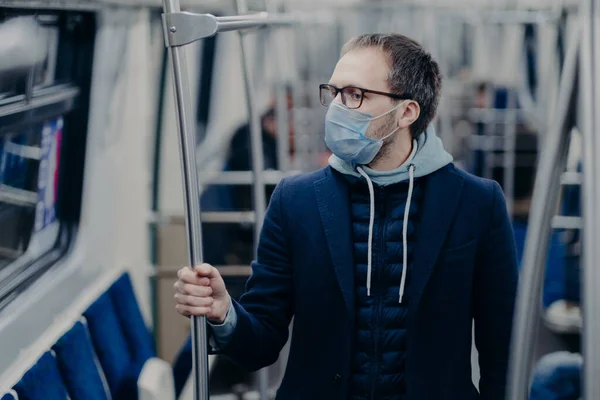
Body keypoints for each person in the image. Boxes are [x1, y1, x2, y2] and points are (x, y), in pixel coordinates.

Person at [174, 33, 518, 399]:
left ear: (406, 112)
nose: (336, 107)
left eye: (355, 95)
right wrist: (224, 311)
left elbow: (504, 350)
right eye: (334, 92)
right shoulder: (296, 201)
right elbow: (261, 343)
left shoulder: (477, 204)